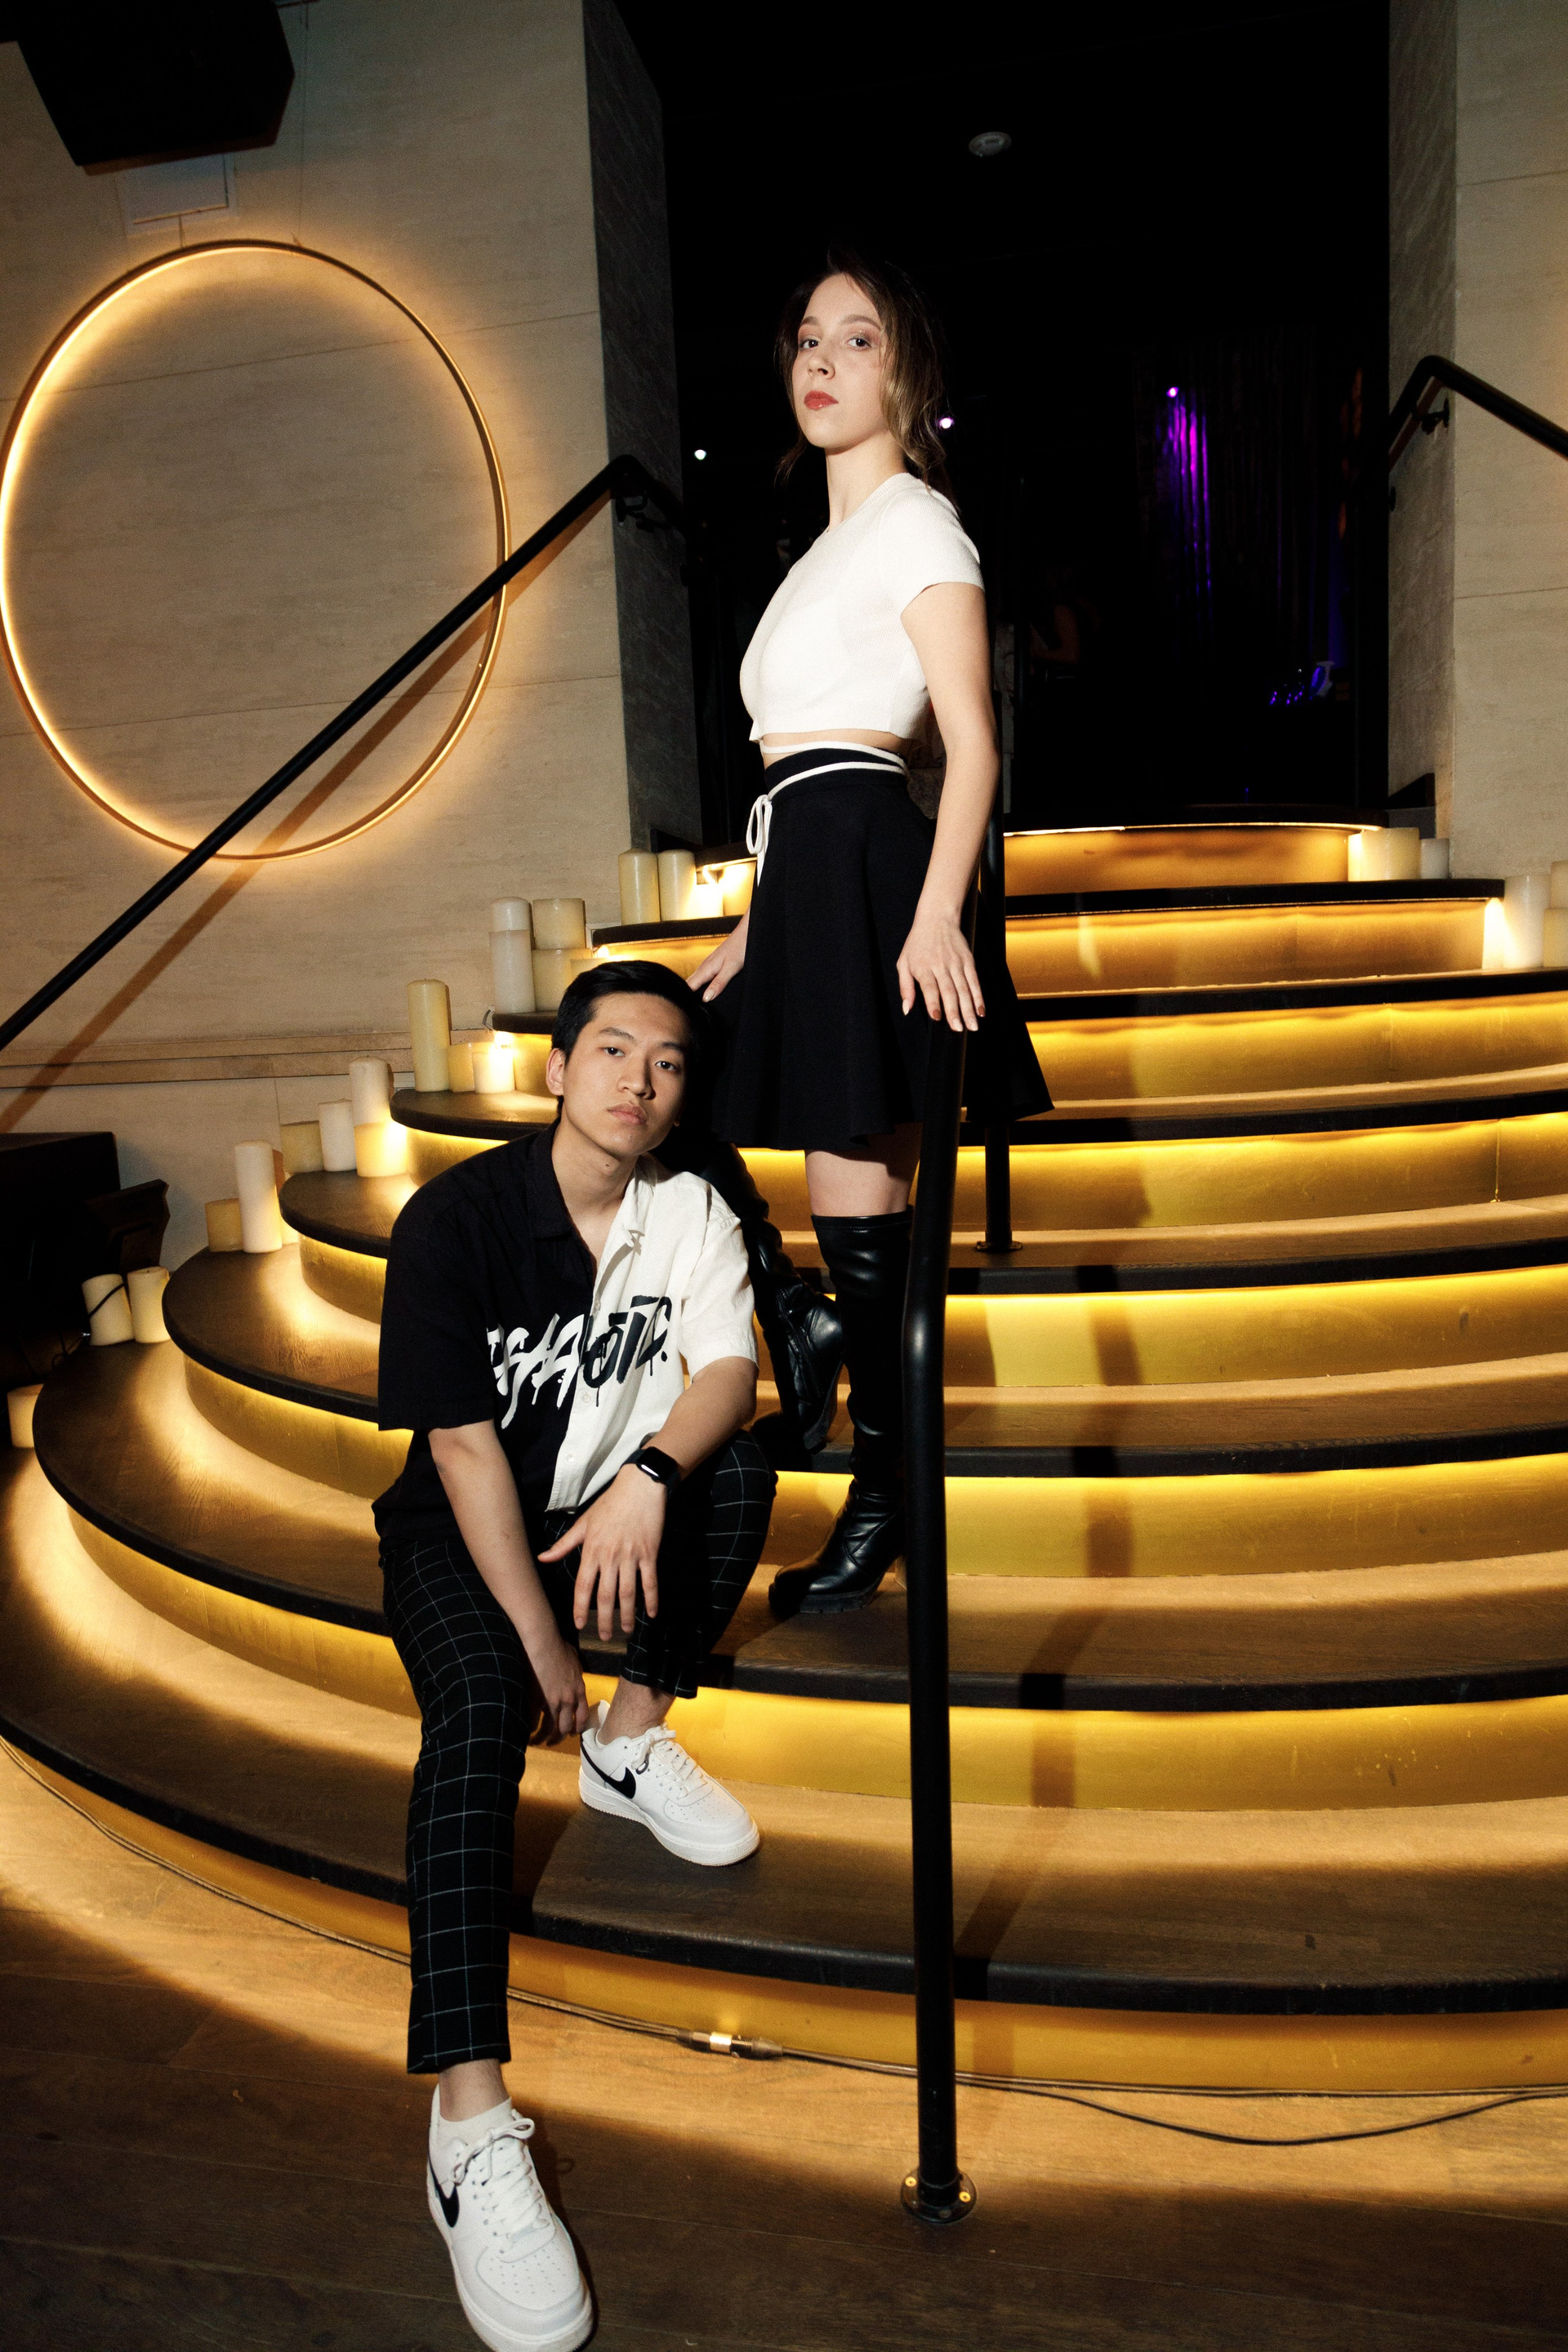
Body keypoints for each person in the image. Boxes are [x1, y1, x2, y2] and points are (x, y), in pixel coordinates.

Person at [374, 960, 775, 2352]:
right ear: (556, 1070)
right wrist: (543, 1642)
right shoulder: (456, 1221)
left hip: (603, 1509)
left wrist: (651, 1476)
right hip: (461, 1530)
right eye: (611, 1051)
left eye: (667, 1063)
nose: (638, 1082)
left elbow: (728, 1374)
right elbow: (460, 1446)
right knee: (481, 1713)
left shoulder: (693, 1208)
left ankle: (629, 1739)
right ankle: (467, 2125)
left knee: (737, 1470)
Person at [690, 250, 1050, 1615]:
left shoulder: (916, 524)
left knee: (860, 1206)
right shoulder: (816, 559)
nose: (821, 360)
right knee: (665, 1064)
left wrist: (938, 912)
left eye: (857, 339)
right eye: (806, 338)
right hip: (805, 870)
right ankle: (804, 1315)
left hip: (872, 870)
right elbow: (789, 769)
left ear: (905, 373)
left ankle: (883, 1491)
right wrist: (758, 922)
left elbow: (971, 743)